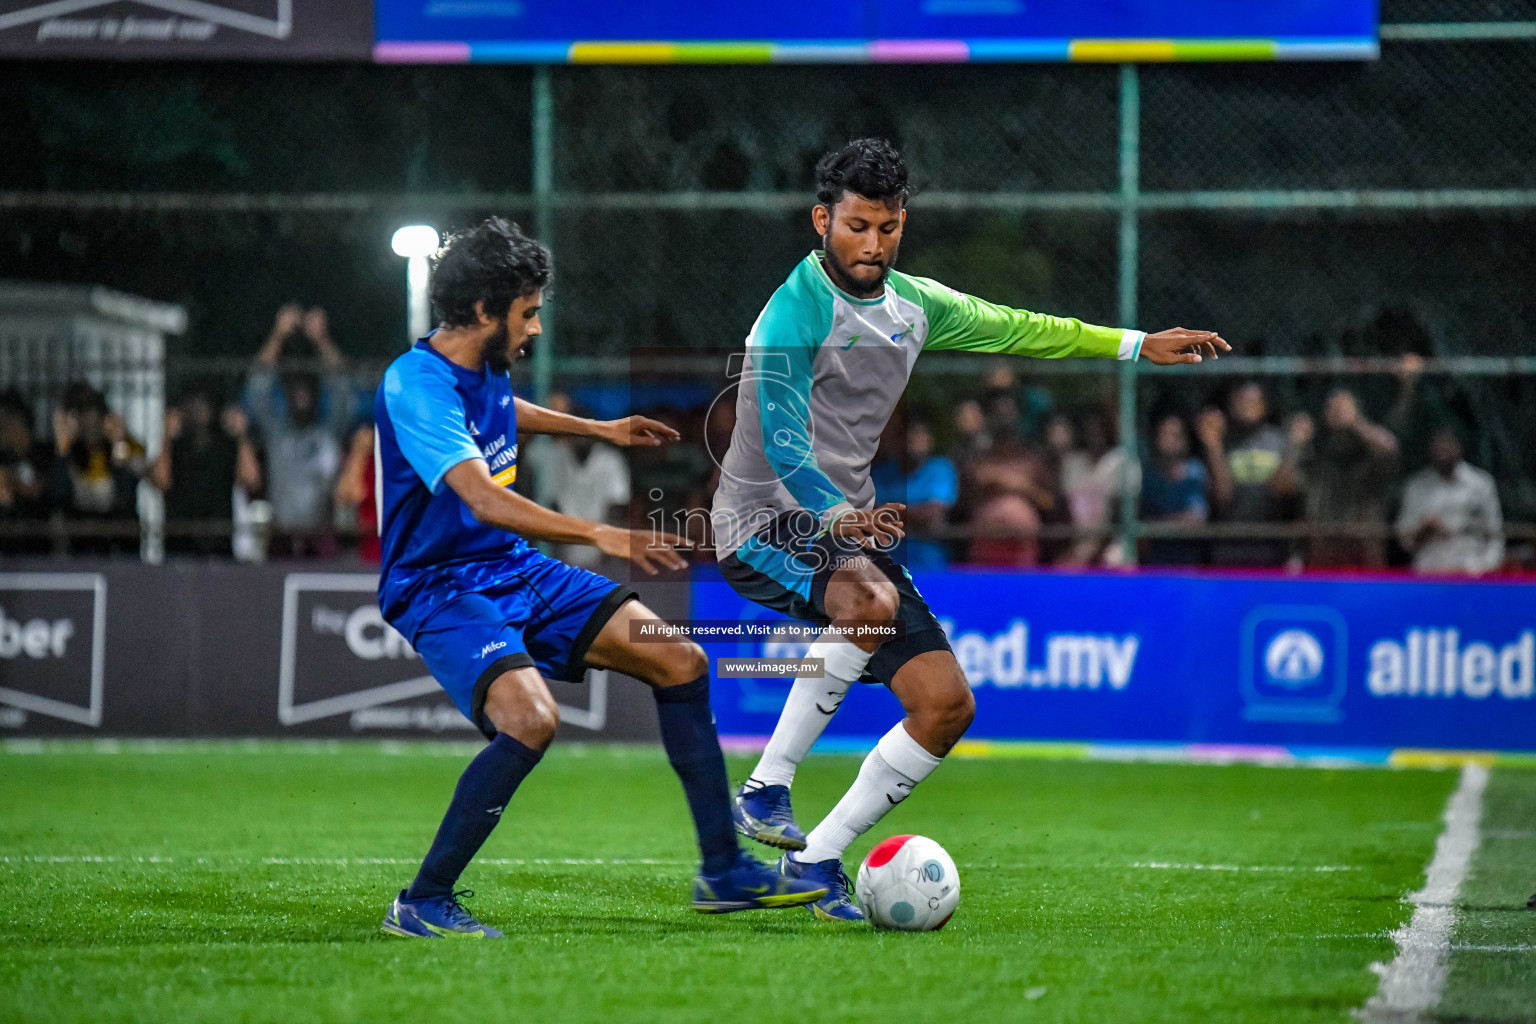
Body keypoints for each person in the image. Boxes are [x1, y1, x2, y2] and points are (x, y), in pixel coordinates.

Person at [710, 138, 1228, 922]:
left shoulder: (914, 306)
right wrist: (841, 516)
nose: (872, 244)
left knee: (946, 705)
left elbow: (1020, 327)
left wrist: (1134, 344)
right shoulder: (790, 312)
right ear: (823, 220)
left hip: (848, 535)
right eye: (856, 226)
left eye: (888, 227)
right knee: (869, 600)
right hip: (762, 521)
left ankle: (814, 863)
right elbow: (782, 446)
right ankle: (765, 787)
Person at [374, 217, 825, 940]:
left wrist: (598, 430)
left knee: (680, 660)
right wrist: (600, 533)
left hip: (509, 567)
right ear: (485, 311)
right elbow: (482, 497)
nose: (538, 327)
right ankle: (422, 901)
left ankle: (723, 870)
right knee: (531, 719)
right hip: (441, 587)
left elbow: (499, 413)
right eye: (528, 312)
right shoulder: (414, 384)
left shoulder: (484, 368)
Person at [244, 305, 354, 557]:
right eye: (295, 392)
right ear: (287, 395)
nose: (301, 397)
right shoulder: (276, 431)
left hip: (321, 539)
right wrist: (278, 335)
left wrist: (321, 339)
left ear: (316, 396)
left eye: (307, 392)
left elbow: (343, 387)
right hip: (280, 537)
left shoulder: (329, 432)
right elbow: (257, 389)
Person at [1196, 382, 1304, 568]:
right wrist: (1213, 445)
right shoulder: (1222, 441)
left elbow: (1280, 491)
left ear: (1264, 405)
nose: (1245, 406)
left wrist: (1296, 444)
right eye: (1239, 401)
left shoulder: (1279, 440)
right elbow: (1223, 497)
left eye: (1252, 400)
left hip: (1271, 546)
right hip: (1227, 547)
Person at [149, 388, 262, 557]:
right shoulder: (177, 446)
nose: (199, 409)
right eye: (193, 403)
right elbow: (161, 481)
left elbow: (251, 478)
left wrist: (241, 435)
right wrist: (166, 437)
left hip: (218, 544)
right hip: (179, 544)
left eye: (204, 403)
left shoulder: (226, 446)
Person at [1295, 387, 1399, 569]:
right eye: (1331, 407)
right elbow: (1284, 485)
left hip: (1365, 551)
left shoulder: (1370, 447)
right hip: (1323, 551)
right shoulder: (1317, 450)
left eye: (1343, 406)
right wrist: (1295, 444)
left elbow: (1388, 450)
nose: (1337, 411)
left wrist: (1354, 421)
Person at [47, 382, 143, 556]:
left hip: (114, 542)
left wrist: (118, 443)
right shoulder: (67, 452)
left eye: (95, 416)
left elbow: (127, 496)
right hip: (78, 541)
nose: (90, 425)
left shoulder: (121, 447)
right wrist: (62, 447)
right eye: (83, 416)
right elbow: (57, 495)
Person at [1395, 428, 1503, 576]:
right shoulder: (1416, 487)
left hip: (1472, 570)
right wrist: (1423, 529)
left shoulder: (1481, 483)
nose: (1443, 449)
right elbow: (1404, 538)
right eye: (1438, 445)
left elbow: (1495, 532)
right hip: (1429, 571)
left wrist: (1486, 567)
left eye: (1448, 444)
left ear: (1459, 446)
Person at [870, 418, 958, 572]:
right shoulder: (882, 472)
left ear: (929, 440)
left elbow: (931, 517)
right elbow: (868, 513)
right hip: (885, 565)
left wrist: (887, 513)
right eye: (908, 437)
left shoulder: (940, 469)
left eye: (919, 436)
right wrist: (914, 515)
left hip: (930, 565)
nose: (913, 442)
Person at [1139, 414, 1209, 566]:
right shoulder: (1147, 475)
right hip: (1154, 562)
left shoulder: (1195, 470)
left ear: (1185, 440)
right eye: (1164, 434)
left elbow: (1196, 520)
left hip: (1188, 560)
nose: (1169, 440)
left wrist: (1156, 526)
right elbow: (1140, 522)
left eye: (1175, 435)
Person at [333, 418, 380, 563]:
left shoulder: (380, 469)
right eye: (358, 442)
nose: (365, 445)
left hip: (379, 546)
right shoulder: (348, 466)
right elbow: (347, 497)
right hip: (354, 547)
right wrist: (358, 456)